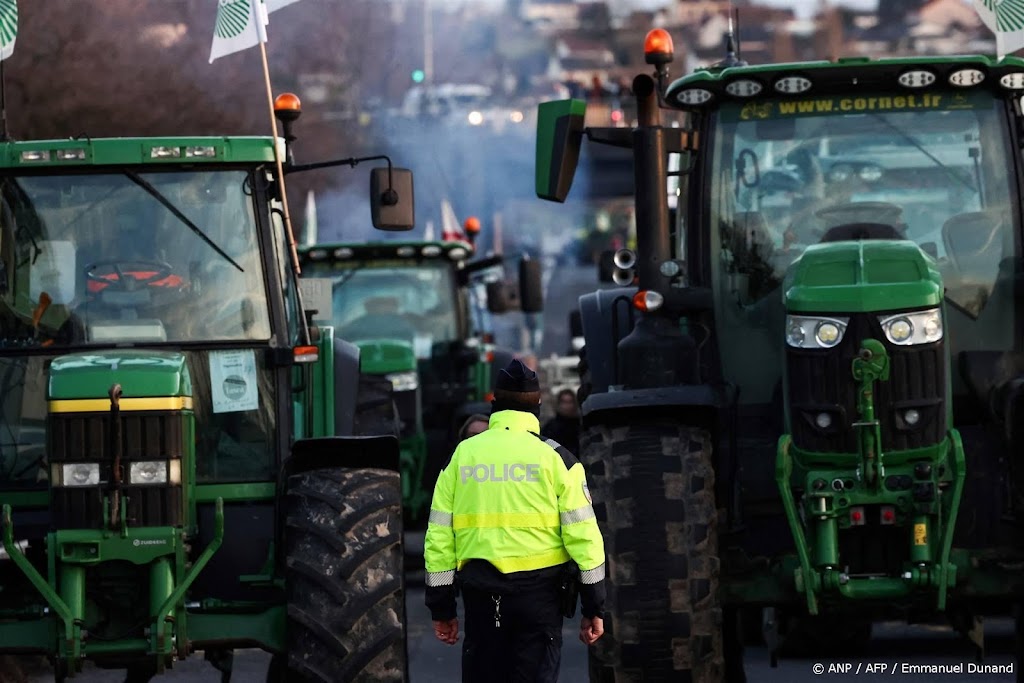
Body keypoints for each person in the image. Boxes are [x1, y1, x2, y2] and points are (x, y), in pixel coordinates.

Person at [424, 359, 606, 682]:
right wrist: (594, 607)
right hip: (539, 601)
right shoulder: (558, 459)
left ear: (494, 403)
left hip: (481, 600)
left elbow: (438, 536)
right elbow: (585, 539)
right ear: (537, 405)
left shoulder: (462, 456)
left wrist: (442, 609)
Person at [541, 389, 580, 456]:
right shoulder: (550, 428)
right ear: (559, 404)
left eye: (570, 402)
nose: (567, 406)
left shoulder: (581, 426)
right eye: (564, 402)